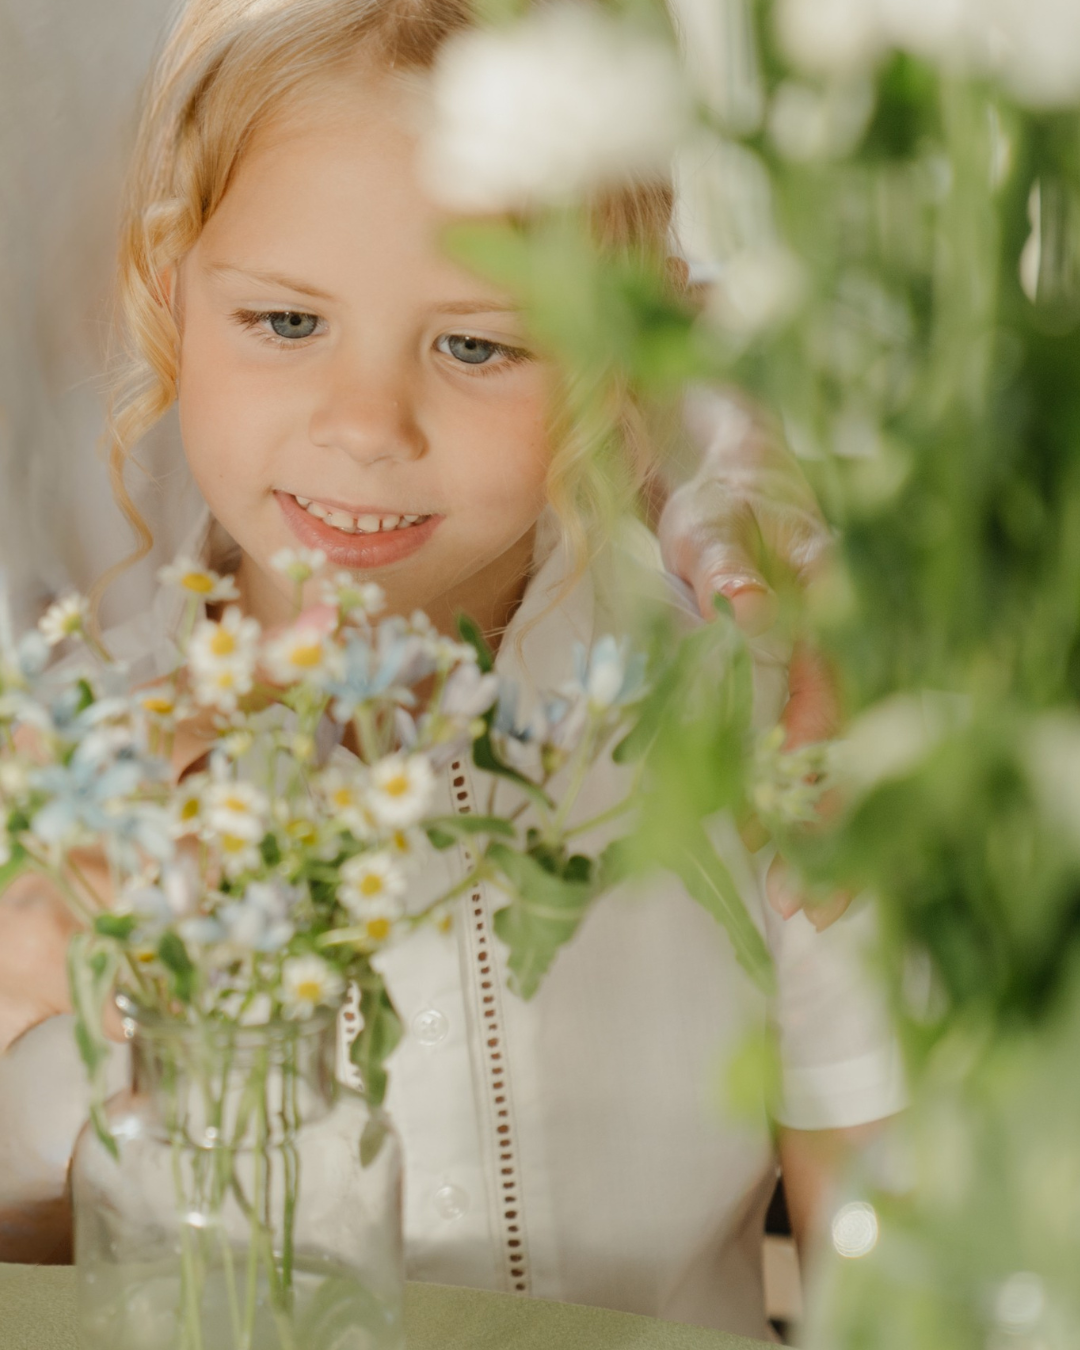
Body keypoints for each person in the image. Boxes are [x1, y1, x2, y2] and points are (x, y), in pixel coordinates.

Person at [0, 0, 903, 1335]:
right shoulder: (72, 773)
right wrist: (35, 995)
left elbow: (884, 1231)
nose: (366, 427)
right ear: (171, 293)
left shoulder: (740, 714)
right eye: (286, 322)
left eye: (476, 343)